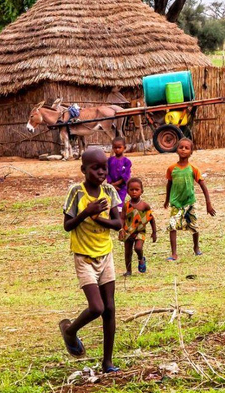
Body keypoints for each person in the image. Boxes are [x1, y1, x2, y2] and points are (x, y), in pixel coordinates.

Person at [59, 147, 122, 373]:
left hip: (105, 255)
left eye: (104, 167)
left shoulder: (109, 192)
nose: (101, 172)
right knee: (96, 307)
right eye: (95, 168)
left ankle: (107, 362)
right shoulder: (76, 192)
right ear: (83, 169)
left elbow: (118, 224)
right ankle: (70, 331)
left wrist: (98, 218)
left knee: (110, 309)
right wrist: (86, 212)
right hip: (84, 257)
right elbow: (67, 226)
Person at [164, 138, 215, 260]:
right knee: (172, 226)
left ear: (191, 152)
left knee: (194, 226)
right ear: (177, 150)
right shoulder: (172, 169)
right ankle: (174, 253)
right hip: (176, 203)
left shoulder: (193, 169)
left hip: (189, 202)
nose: (183, 149)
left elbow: (203, 185)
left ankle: (196, 247)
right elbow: (169, 184)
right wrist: (166, 200)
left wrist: (208, 203)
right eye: (181, 147)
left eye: (187, 148)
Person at [119, 178, 157, 275]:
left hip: (140, 231)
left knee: (138, 248)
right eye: (131, 190)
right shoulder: (126, 205)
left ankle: (141, 259)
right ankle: (128, 270)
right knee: (128, 252)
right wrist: (121, 228)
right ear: (127, 192)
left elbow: (151, 218)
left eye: (137, 190)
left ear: (142, 191)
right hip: (128, 231)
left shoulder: (144, 205)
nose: (134, 192)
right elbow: (122, 217)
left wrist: (154, 232)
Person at [106, 137, 131, 210]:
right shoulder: (110, 160)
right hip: (111, 186)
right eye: (115, 147)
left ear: (124, 148)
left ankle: (119, 219)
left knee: (119, 204)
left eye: (119, 147)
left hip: (122, 187)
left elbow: (126, 175)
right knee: (111, 204)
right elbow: (107, 172)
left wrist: (116, 184)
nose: (117, 149)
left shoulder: (127, 162)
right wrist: (111, 184)